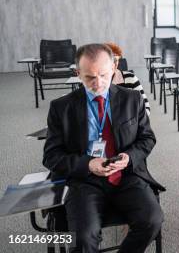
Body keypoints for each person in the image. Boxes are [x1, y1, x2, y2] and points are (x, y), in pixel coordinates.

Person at [43, 43, 164, 253]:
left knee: (152, 221)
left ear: (114, 69)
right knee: (82, 238)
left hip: (125, 175)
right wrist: (88, 164)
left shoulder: (132, 99)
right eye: (90, 77)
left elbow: (147, 138)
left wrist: (129, 157)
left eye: (104, 75)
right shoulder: (61, 108)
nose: (98, 83)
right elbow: (51, 156)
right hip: (84, 180)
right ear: (78, 73)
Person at [104, 42, 151, 116]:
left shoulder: (130, 78)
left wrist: (134, 123)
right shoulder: (96, 82)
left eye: (117, 60)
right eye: (112, 60)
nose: (116, 64)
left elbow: (146, 107)